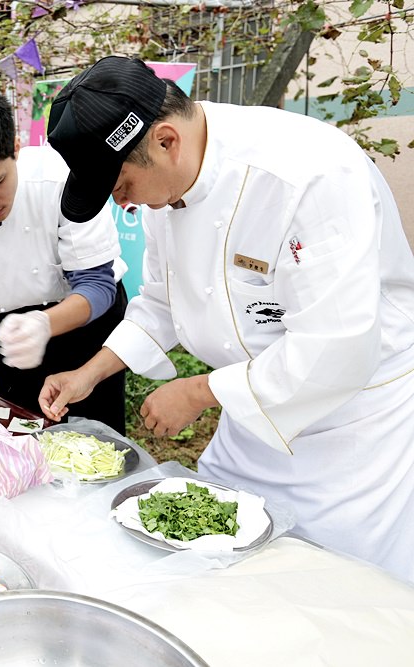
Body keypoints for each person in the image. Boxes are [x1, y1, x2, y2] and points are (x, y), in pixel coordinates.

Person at [38, 55, 414, 583]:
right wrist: (90, 372)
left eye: (120, 185)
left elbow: (336, 345)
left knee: (338, 581)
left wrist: (196, 394)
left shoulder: (308, 174)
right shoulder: (169, 185)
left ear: (166, 141)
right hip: (251, 405)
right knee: (223, 561)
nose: (121, 203)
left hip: (354, 425)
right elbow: (162, 302)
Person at [0, 83, 129, 432]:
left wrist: (45, 324)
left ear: (15, 148)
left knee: (95, 436)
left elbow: (97, 285)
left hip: (90, 319)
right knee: (15, 428)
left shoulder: (63, 178)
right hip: (15, 324)